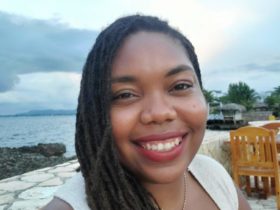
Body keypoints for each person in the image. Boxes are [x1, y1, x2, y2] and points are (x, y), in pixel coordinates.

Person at [42, 15, 251, 210]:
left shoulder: (214, 178)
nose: (160, 113)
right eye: (125, 95)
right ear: (94, 113)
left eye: (180, 86)